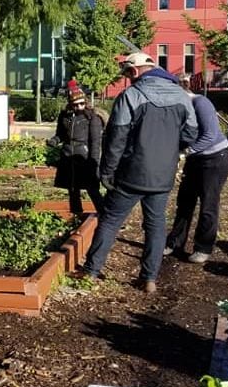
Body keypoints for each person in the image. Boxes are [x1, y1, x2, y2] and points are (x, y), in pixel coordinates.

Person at [74, 52, 197, 293]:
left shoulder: (131, 96)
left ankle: (91, 271)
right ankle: (149, 278)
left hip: (131, 174)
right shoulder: (182, 97)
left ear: (136, 71)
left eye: (128, 74)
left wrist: (107, 171)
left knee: (109, 221)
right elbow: (190, 134)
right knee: (156, 224)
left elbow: (116, 138)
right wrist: (169, 148)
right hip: (163, 176)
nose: (128, 79)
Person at [164, 75, 228, 263]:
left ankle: (203, 247)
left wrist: (185, 152)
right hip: (195, 159)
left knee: (208, 204)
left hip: (216, 159)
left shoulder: (200, 103)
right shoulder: (178, 109)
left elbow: (210, 135)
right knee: (185, 201)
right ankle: (175, 242)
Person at [47, 79, 104, 216]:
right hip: (68, 157)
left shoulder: (92, 118)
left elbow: (95, 143)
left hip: (84, 157)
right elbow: (60, 134)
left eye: (82, 103)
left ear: (86, 102)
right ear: (70, 104)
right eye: (76, 104)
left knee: (92, 189)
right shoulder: (65, 116)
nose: (79, 107)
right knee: (72, 189)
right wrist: (54, 141)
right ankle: (76, 214)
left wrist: (93, 162)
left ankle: (105, 216)